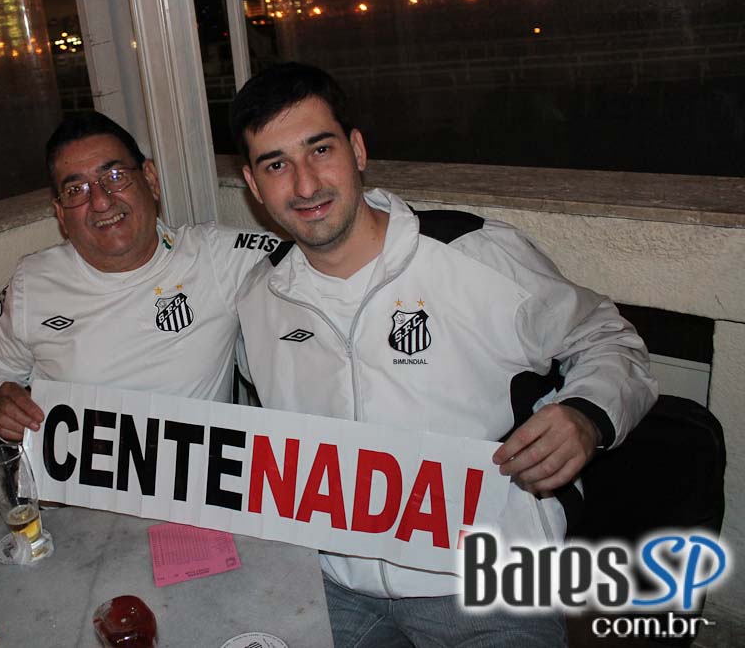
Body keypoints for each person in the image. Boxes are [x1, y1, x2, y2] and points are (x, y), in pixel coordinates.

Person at [230, 63, 658, 647]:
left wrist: (587, 415)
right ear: (254, 186)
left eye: (320, 149)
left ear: (357, 150)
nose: (305, 185)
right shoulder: (260, 297)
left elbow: (610, 339)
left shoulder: (475, 255)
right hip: (329, 583)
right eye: (276, 165)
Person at [0, 111, 279, 441]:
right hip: (77, 473)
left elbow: (305, 253)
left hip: (195, 470)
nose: (101, 201)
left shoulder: (216, 257)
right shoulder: (31, 282)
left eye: (115, 176)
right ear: (60, 213)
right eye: (76, 190)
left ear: (151, 179)